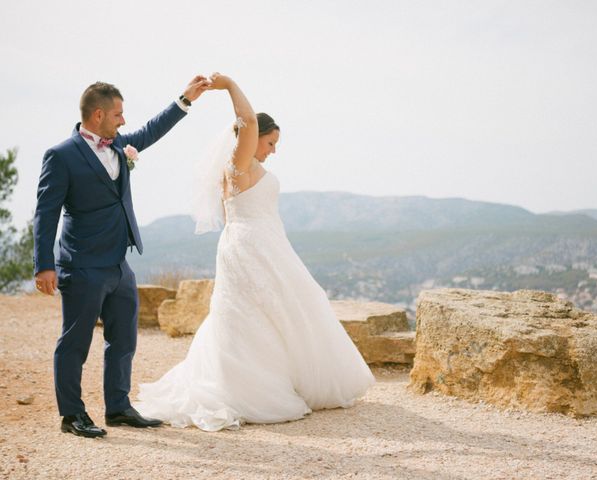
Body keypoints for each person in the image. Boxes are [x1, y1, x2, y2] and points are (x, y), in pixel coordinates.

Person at [135, 73, 376, 431]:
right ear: (253, 138)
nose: (274, 150)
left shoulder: (249, 166)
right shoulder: (239, 162)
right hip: (249, 245)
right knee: (248, 316)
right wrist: (229, 85)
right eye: (271, 142)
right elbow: (246, 119)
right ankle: (250, 389)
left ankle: (284, 378)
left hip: (264, 243)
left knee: (272, 313)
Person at [33, 76, 211, 438]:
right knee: (75, 343)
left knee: (124, 340)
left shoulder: (119, 146)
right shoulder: (61, 155)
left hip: (119, 263)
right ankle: (72, 416)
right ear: (98, 115)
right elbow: (45, 213)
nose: (124, 121)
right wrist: (44, 265)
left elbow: (151, 131)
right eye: (118, 114)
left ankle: (118, 407)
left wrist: (185, 100)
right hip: (82, 265)